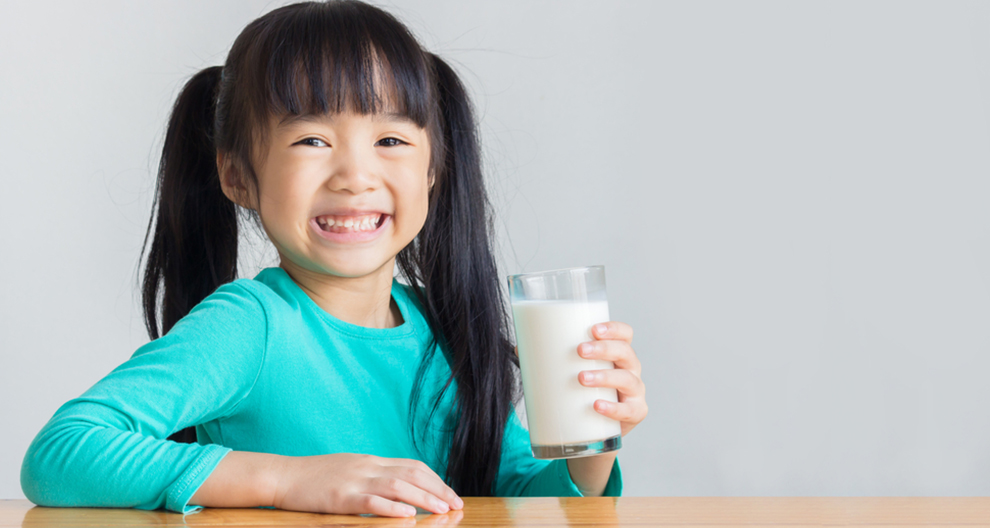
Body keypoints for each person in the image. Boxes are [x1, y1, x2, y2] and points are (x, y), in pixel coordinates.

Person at [19, 0, 648, 518]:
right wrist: (287, 483)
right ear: (238, 176)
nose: (355, 174)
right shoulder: (252, 325)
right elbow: (60, 454)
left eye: (391, 140)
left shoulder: (442, 331)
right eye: (312, 139)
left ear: (433, 170)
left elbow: (508, 498)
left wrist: (589, 449)